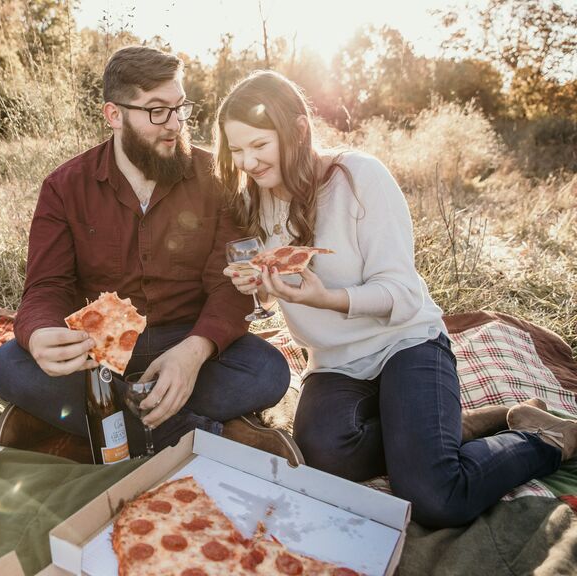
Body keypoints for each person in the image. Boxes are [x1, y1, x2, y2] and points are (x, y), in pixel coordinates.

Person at [216, 70, 576, 528]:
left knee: (435, 497)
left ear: (298, 130)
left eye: (259, 146)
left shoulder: (361, 177)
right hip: (333, 361)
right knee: (325, 458)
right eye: (237, 149)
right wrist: (261, 289)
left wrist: (328, 297)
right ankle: (451, 427)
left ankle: (546, 436)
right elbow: (276, 299)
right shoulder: (257, 200)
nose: (247, 162)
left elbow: (403, 293)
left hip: (405, 341)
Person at [0, 47, 301, 464]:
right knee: (9, 364)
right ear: (114, 115)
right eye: (157, 111)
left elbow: (229, 283)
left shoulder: (216, 179)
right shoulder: (64, 187)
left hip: (187, 340)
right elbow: (47, 286)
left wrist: (193, 354)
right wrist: (42, 334)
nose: (174, 125)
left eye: (179, 108)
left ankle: (80, 425)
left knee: (269, 372)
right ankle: (209, 434)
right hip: (100, 353)